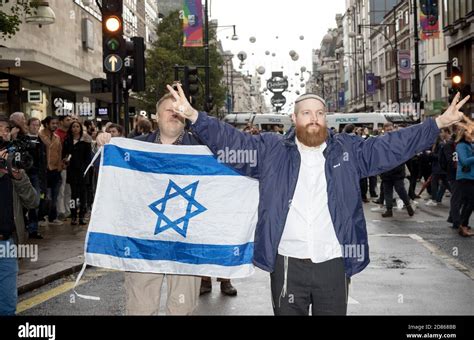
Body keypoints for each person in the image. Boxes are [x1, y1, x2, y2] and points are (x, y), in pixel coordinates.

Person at [167, 84, 471, 315]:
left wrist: (436, 124)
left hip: (333, 262)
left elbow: (391, 146)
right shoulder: (270, 151)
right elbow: (231, 141)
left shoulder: (349, 150)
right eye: (306, 113)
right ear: (294, 117)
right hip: (286, 261)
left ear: (327, 117)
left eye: (320, 113)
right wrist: (195, 117)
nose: (314, 119)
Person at [124, 93, 202, 315]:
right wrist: (103, 144)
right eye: (169, 109)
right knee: (140, 307)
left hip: (187, 240)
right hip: (143, 241)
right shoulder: (132, 148)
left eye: (179, 109)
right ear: (156, 116)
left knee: (183, 308)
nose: (175, 113)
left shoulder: (204, 149)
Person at [0, 118, 39, 315]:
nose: (3, 133)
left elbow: (33, 202)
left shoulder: (11, 163)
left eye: (6, 129)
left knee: (7, 305)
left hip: (6, 243)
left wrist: (18, 177)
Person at [380, 122, 415, 218]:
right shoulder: (381, 141)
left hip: (397, 170)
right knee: (387, 190)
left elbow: (403, 154)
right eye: (387, 130)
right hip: (386, 170)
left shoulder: (398, 140)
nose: (389, 131)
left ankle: (408, 206)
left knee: (400, 189)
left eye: (390, 129)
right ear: (384, 130)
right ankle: (389, 210)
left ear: (394, 129)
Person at [62, 121, 92, 225]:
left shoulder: (86, 141)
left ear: (80, 128)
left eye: (77, 126)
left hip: (83, 171)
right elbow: (64, 154)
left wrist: (85, 168)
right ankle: (73, 215)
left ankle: (82, 216)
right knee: (73, 195)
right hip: (72, 171)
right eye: (73, 126)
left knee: (83, 195)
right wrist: (65, 159)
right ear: (71, 128)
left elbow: (88, 158)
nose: (75, 128)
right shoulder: (67, 141)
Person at [38, 116, 64, 226]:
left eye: (56, 123)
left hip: (55, 171)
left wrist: (59, 167)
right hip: (43, 171)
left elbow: (59, 153)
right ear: (47, 124)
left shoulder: (57, 137)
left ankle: (53, 217)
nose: (55, 125)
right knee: (44, 196)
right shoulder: (39, 135)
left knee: (54, 196)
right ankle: (41, 217)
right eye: (53, 123)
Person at [25, 117, 47, 239]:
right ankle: (25, 226)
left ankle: (33, 229)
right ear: (28, 126)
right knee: (23, 203)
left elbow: (43, 161)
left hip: (37, 176)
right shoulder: (22, 140)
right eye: (33, 125)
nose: (35, 127)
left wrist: (43, 178)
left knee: (35, 202)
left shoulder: (41, 142)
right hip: (24, 175)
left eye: (37, 125)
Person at [455, 127, 474, 237]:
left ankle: (463, 226)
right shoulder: (461, 145)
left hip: (471, 177)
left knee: (468, 202)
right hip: (465, 177)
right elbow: (464, 161)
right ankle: (463, 225)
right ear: (463, 133)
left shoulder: (470, 145)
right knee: (470, 202)